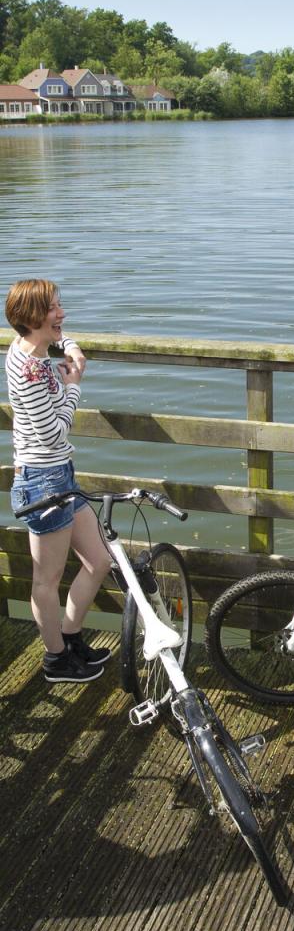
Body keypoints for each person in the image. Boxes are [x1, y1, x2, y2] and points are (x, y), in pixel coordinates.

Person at [5, 279, 113, 683]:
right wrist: (73, 387)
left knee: (100, 560)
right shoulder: (31, 369)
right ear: (33, 317)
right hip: (42, 481)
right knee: (46, 580)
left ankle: (69, 638)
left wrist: (70, 347)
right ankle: (55, 660)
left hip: (59, 474)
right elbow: (53, 434)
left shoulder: (29, 346)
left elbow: (60, 336)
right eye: (54, 308)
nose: (62, 314)